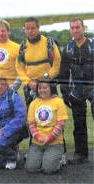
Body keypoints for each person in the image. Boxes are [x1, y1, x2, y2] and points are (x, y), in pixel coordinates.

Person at [59, 18, 93, 164]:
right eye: (72, 28)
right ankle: (81, 154)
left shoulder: (93, 45)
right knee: (78, 123)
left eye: (77, 27)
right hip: (76, 88)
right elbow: (64, 73)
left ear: (83, 28)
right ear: (70, 30)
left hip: (92, 86)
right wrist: (65, 92)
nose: (75, 30)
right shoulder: (67, 48)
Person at [16, 17, 61, 106]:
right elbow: (19, 67)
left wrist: (45, 80)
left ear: (38, 28)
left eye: (33, 28)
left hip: (48, 84)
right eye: (27, 29)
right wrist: (28, 81)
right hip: (30, 87)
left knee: (51, 114)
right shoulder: (22, 47)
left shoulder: (49, 44)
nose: (30, 31)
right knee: (32, 114)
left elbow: (57, 63)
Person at [25, 79, 67, 174]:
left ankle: (56, 160)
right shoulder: (33, 103)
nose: (42, 90)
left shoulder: (58, 102)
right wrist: (38, 137)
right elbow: (31, 124)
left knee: (49, 170)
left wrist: (49, 137)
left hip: (54, 143)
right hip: (37, 142)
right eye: (39, 88)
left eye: (45, 88)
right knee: (31, 168)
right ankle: (45, 158)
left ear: (51, 88)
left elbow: (60, 123)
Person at [0, 19, 21, 91]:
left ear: (8, 31)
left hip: (9, 88)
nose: (1, 33)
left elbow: (21, 69)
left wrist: (14, 85)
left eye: (3, 31)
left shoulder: (17, 48)